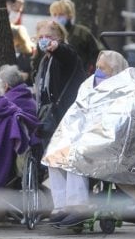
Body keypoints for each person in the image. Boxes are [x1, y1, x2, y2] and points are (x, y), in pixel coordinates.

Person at [44, 50, 129, 227]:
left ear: (114, 71)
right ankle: (62, 206)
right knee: (53, 156)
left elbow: (120, 122)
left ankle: (78, 206)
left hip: (108, 142)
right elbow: (76, 112)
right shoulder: (88, 84)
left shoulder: (124, 89)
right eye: (97, 67)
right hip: (83, 135)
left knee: (75, 156)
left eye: (102, 68)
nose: (98, 71)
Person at [33, 19, 87, 145]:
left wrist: (57, 48)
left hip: (66, 117)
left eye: (49, 37)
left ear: (59, 37)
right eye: (41, 37)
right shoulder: (45, 59)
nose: (44, 40)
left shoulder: (63, 54)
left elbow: (67, 54)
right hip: (50, 118)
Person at [49, 0, 101, 74]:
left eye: (61, 14)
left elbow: (96, 53)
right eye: (55, 15)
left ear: (69, 15)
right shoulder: (50, 34)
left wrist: (90, 71)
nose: (57, 17)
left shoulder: (82, 33)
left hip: (80, 76)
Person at [5, 0, 34, 79]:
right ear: (7, 5)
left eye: (19, 11)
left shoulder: (18, 30)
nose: (17, 14)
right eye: (16, 10)